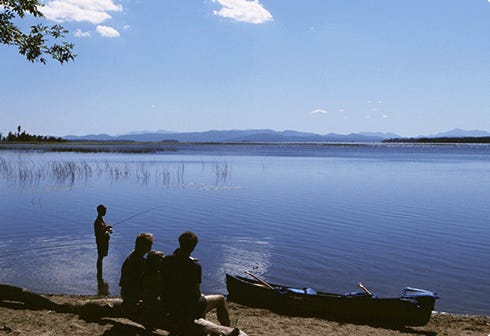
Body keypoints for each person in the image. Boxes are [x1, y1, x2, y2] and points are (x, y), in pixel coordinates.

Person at [161, 231, 231, 331]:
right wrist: (201, 296)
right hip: (186, 308)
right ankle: (227, 330)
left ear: (180, 242)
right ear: (193, 247)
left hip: (168, 303)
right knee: (220, 299)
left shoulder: (166, 260)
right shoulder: (195, 267)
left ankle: (200, 327)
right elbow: (196, 292)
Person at [119, 232, 153, 313]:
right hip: (131, 295)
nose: (151, 247)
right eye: (150, 245)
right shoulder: (139, 262)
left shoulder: (132, 256)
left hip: (124, 292)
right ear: (145, 246)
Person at [94, 204, 112, 280]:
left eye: (105, 211)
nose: (105, 212)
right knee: (100, 257)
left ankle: (100, 275)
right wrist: (106, 229)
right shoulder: (97, 221)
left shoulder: (102, 220)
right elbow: (98, 232)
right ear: (100, 211)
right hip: (101, 242)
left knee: (101, 257)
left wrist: (108, 230)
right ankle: (99, 273)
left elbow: (103, 229)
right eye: (104, 211)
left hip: (104, 241)